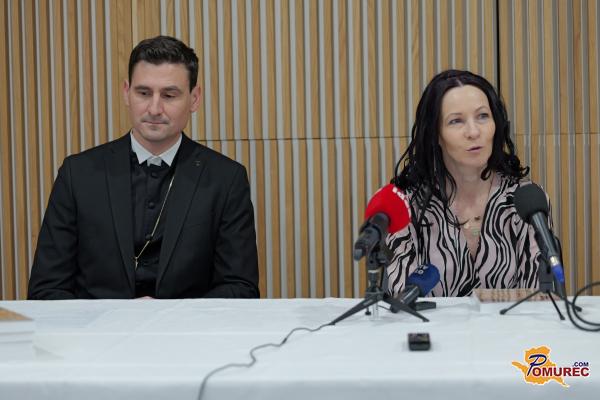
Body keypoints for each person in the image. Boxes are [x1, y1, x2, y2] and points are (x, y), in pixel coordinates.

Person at [28, 35, 259, 299]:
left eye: (169, 95)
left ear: (194, 99)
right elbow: (46, 290)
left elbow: (240, 288)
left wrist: (168, 315)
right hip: (100, 327)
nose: (155, 108)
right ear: (126, 92)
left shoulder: (226, 179)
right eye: (144, 93)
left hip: (187, 326)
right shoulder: (77, 174)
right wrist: (119, 316)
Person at [386, 69, 549, 297]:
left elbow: (538, 296)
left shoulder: (525, 199)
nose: (473, 132)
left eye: (482, 116)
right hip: (429, 321)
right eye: (456, 121)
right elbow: (403, 298)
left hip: (510, 321)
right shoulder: (406, 204)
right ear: (435, 134)